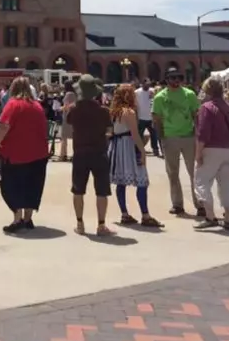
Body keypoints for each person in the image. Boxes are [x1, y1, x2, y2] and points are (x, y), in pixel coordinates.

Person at [0, 77, 49, 233]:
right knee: (32, 186)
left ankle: (17, 219)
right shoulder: (37, 106)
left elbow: (3, 127)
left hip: (15, 154)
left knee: (12, 186)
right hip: (38, 154)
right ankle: (28, 218)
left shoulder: (13, 104)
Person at [66, 75, 115, 236]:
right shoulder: (103, 111)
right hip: (99, 152)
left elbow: (70, 122)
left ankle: (80, 224)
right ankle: (101, 225)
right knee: (102, 190)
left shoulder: (74, 109)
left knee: (78, 189)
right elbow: (109, 131)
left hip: (80, 152)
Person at [109, 83, 162, 229]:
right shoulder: (129, 112)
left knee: (121, 182)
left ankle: (124, 214)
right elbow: (135, 134)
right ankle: (145, 215)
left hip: (117, 146)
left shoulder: (114, 112)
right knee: (142, 180)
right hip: (128, 146)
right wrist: (143, 151)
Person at [152, 67, 201, 217]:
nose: (175, 81)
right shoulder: (160, 97)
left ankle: (200, 203)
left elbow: (196, 115)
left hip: (188, 136)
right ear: (166, 80)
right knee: (173, 173)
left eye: (178, 78)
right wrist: (162, 137)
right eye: (172, 78)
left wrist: (197, 135)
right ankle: (177, 204)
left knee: (195, 172)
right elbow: (156, 119)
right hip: (170, 137)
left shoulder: (189, 94)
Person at [194, 76, 229, 229]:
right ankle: (228, 218)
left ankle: (210, 216)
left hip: (212, 149)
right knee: (226, 184)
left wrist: (198, 153)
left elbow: (203, 133)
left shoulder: (207, 108)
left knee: (201, 181)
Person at [134, 80, 161, 157]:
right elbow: (135, 104)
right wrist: (136, 116)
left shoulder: (152, 91)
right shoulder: (137, 92)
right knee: (139, 134)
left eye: (149, 84)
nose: (148, 86)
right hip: (141, 117)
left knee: (154, 134)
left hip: (151, 117)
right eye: (146, 84)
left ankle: (155, 149)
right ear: (142, 84)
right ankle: (138, 150)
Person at [57, 82, 76, 162]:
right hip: (73, 117)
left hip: (67, 117)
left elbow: (66, 106)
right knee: (74, 137)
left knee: (64, 137)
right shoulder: (75, 94)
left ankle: (63, 155)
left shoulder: (68, 94)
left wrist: (60, 108)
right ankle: (74, 154)